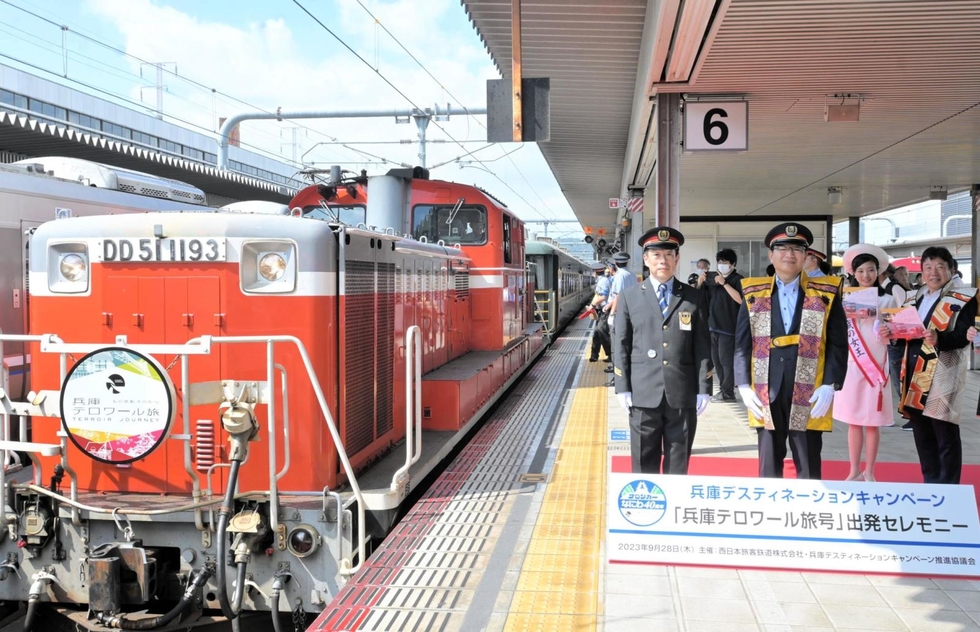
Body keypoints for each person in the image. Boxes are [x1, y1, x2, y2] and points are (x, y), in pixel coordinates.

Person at [734, 223, 847, 479]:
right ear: (771, 255)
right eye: (782, 248)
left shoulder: (826, 293)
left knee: (808, 462)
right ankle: (770, 512)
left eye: (797, 248)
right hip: (766, 387)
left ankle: (808, 512)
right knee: (768, 464)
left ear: (806, 255)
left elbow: (839, 344)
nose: (790, 254)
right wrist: (742, 384)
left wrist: (831, 383)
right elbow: (742, 343)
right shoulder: (753, 292)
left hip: (810, 388)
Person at [613, 227, 711, 474]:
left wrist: (704, 388)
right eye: (656, 255)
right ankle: (645, 507)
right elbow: (622, 344)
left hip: (682, 391)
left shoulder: (693, 297)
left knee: (678, 461)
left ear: (677, 258)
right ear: (646, 259)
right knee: (643, 459)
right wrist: (622, 386)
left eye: (668, 254)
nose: (662, 260)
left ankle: (673, 507)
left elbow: (702, 345)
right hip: (643, 391)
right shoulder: (629, 296)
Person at [895, 246, 977, 484]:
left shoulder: (963, 298)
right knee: (921, 432)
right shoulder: (914, 297)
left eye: (940, 267)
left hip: (943, 372)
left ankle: (949, 488)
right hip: (913, 373)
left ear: (951, 270)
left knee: (945, 433)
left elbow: (964, 336)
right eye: (928, 267)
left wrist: (939, 338)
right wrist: (890, 332)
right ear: (921, 272)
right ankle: (931, 482)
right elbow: (904, 333)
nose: (934, 272)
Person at [834, 244, 896, 482]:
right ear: (853, 273)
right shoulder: (845, 298)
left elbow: (898, 331)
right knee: (854, 419)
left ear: (877, 272)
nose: (866, 275)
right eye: (860, 271)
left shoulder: (888, 299)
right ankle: (853, 469)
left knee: (872, 420)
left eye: (870, 270)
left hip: (876, 363)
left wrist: (889, 332)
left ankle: (869, 471)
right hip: (852, 363)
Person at [706, 248, 743, 402]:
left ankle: (728, 393)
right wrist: (701, 281)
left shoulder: (738, 279)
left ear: (733, 264)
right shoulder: (713, 279)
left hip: (729, 328)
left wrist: (725, 284)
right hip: (713, 326)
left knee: (726, 361)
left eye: (725, 262)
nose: (722, 265)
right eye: (720, 262)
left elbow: (742, 300)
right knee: (717, 361)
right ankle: (723, 390)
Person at [588, 261, 612, 363]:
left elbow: (603, 296)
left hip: (605, 310)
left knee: (602, 331)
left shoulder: (603, 281)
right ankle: (594, 356)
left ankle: (611, 354)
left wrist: (592, 305)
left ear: (595, 272)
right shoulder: (601, 280)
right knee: (597, 332)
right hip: (601, 311)